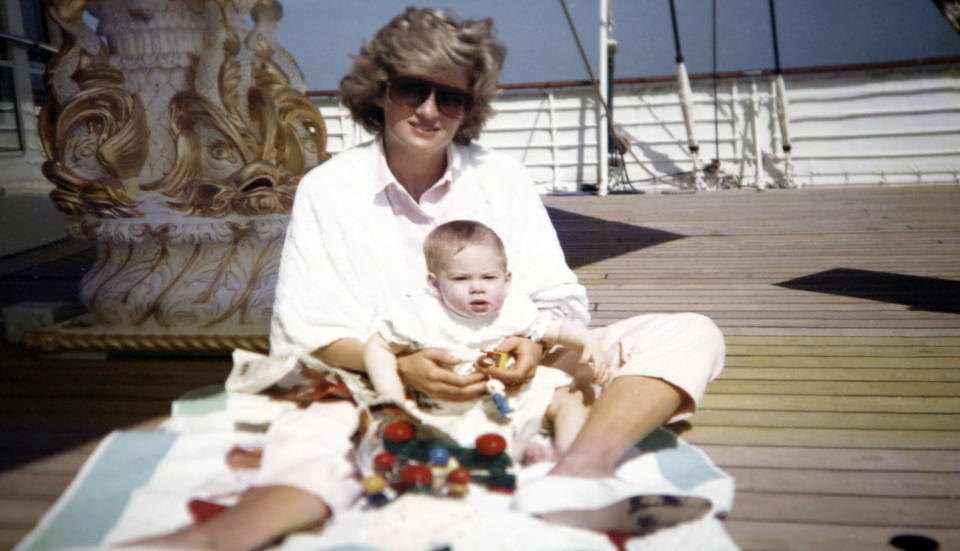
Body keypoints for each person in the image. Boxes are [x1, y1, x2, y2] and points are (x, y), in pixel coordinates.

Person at [132, 7, 725, 549]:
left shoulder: (503, 179)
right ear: (380, 92)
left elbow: (558, 297)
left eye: (451, 98)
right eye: (412, 89)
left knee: (690, 332)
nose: (428, 111)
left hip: (508, 369)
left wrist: (533, 342)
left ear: (470, 110)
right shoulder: (329, 189)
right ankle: (215, 541)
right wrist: (402, 365)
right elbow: (306, 327)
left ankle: (578, 476)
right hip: (378, 380)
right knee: (318, 423)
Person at [363, 219, 610, 461]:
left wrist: (587, 342)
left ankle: (569, 453)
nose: (477, 288)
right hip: (455, 404)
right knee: (450, 432)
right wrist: (392, 396)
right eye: (461, 279)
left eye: (489, 278)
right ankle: (513, 450)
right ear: (435, 284)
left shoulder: (512, 307)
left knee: (571, 394)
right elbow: (379, 345)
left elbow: (553, 329)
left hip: (515, 392)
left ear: (506, 279)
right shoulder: (422, 313)